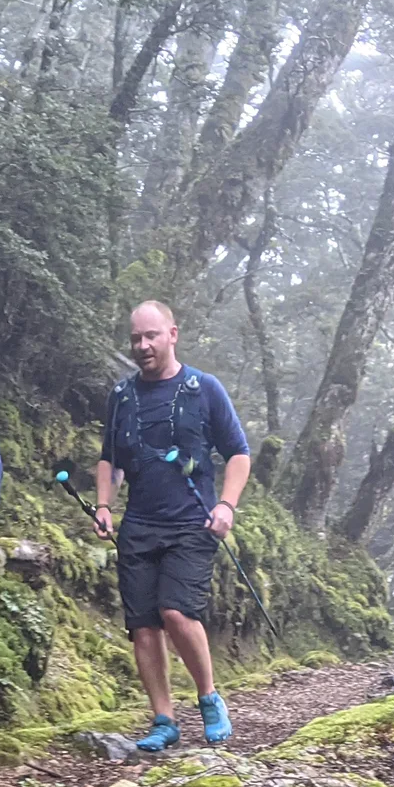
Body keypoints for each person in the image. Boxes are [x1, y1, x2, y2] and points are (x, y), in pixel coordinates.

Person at [93, 300, 251, 753]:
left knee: (177, 612)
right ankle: (164, 719)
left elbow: (238, 453)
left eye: (151, 336)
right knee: (143, 626)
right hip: (139, 525)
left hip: (193, 522)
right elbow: (111, 459)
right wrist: (105, 505)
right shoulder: (122, 396)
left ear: (172, 334)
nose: (143, 346)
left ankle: (208, 697)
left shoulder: (205, 389)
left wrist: (227, 505)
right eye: (136, 339)